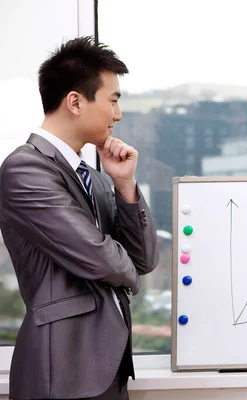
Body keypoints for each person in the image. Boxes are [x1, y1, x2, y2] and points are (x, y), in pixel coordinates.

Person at [0, 36, 159, 399]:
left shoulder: (98, 179)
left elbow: (144, 260)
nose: (118, 115)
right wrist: (126, 276)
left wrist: (125, 185)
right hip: (62, 372)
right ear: (75, 101)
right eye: (113, 100)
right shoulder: (25, 169)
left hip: (108, 370)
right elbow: (96, 254)